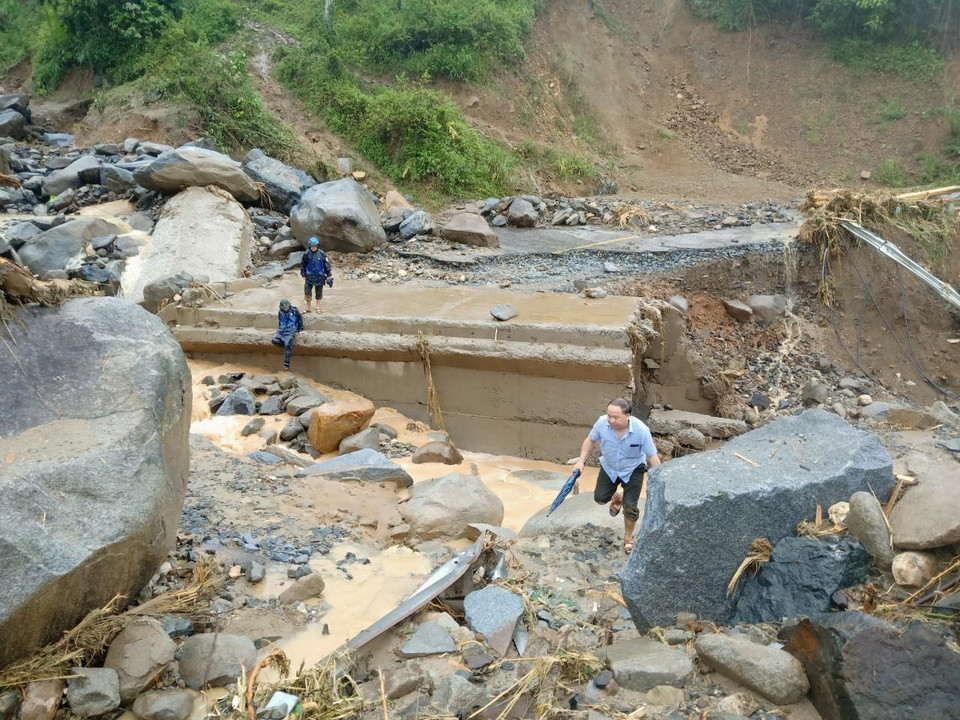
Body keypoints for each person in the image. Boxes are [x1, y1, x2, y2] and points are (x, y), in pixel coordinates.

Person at [572, 398, 660, 555]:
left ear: (628, 415)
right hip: (610, 467)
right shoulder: (601, 423)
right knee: (599, 498)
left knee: (631, 506)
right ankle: (617, 496)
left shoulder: (641, 430)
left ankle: (628, 538)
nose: (611, 420)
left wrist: (661, 479)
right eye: (609, 416)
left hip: (633, 469)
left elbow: (652, 456)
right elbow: (590, 441)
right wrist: (580, 462)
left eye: (616, 417)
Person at [300, 237, 333, 313]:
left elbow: (326, 264)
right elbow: (302, 265)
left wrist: (329, 275)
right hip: (309, 276)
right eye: (312, 246)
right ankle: (308, 308)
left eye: (315, 246)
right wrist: (303, 274)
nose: (313, 247)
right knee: (307, 292)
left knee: (319, 292)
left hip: (320, 276)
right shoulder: (306, 254)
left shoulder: (322, 253)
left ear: (317, 246)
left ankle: (318, 307)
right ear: (309, 246)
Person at [272, 299, 303, 370]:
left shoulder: (294, 310)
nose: (285, 309)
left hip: (291, 330)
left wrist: (300, 330)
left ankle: (286, 363)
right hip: (283, 330)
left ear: (289, 306)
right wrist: (279, 331)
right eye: (283, 308)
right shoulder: (280, 312)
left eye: (286, 307)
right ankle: (285, 345)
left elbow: (299, 319)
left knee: (288, 344)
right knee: (274, 340)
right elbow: (281, 322)